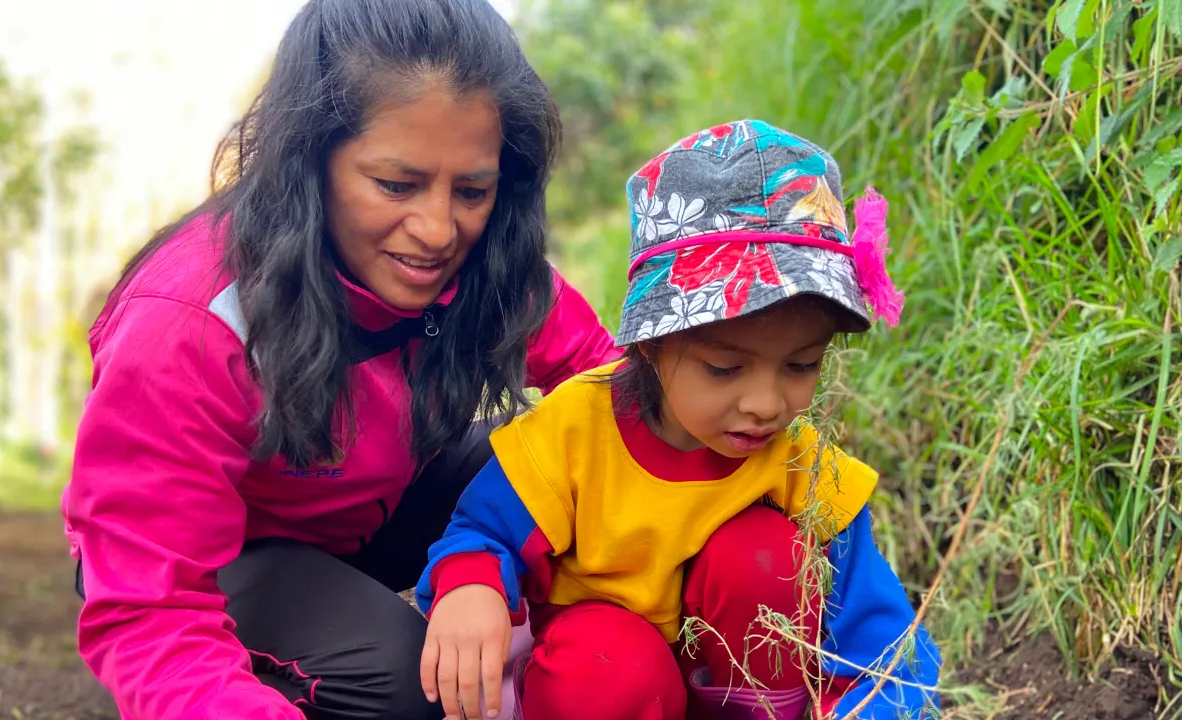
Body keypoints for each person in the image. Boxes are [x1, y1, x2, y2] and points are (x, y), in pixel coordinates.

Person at [61, 2, 620, 719]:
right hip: (232, 551)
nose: (437, 229)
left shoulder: (488, 257)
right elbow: (149, 607)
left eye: (472, 191)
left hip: (378, 504)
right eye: (396, 185)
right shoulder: (187, 322)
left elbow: (610, 391)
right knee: (403, 681)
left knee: (568, 456)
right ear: (309, 159)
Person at [416, 119, 940, 720]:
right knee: (607, 665)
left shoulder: (798, 460)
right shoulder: (575, 433)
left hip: (742, 678)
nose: (766, 404)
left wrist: (886, 705)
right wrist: (471, 586)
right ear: (649, 345)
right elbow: (482, 533)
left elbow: (881, 636)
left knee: (766, 556)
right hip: (610, 684)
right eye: (724, 368)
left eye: (800, 365)